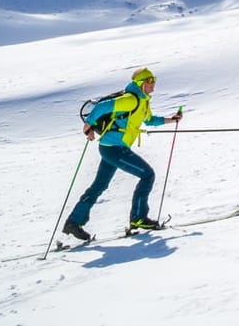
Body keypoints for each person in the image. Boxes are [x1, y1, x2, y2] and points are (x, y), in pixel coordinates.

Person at [63, 67, 182, 240]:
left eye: (154, 81)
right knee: (147, 175)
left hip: (112, 147)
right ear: (141, 84)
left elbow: (149, 120)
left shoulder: (143, 102)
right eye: (150, 82)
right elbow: (102, 107)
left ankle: (73, 222)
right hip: (114, 148)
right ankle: (138, 218)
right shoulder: (130, 99)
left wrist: (172, 120)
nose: (153, 86)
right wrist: (87, 127)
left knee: (99, 186)